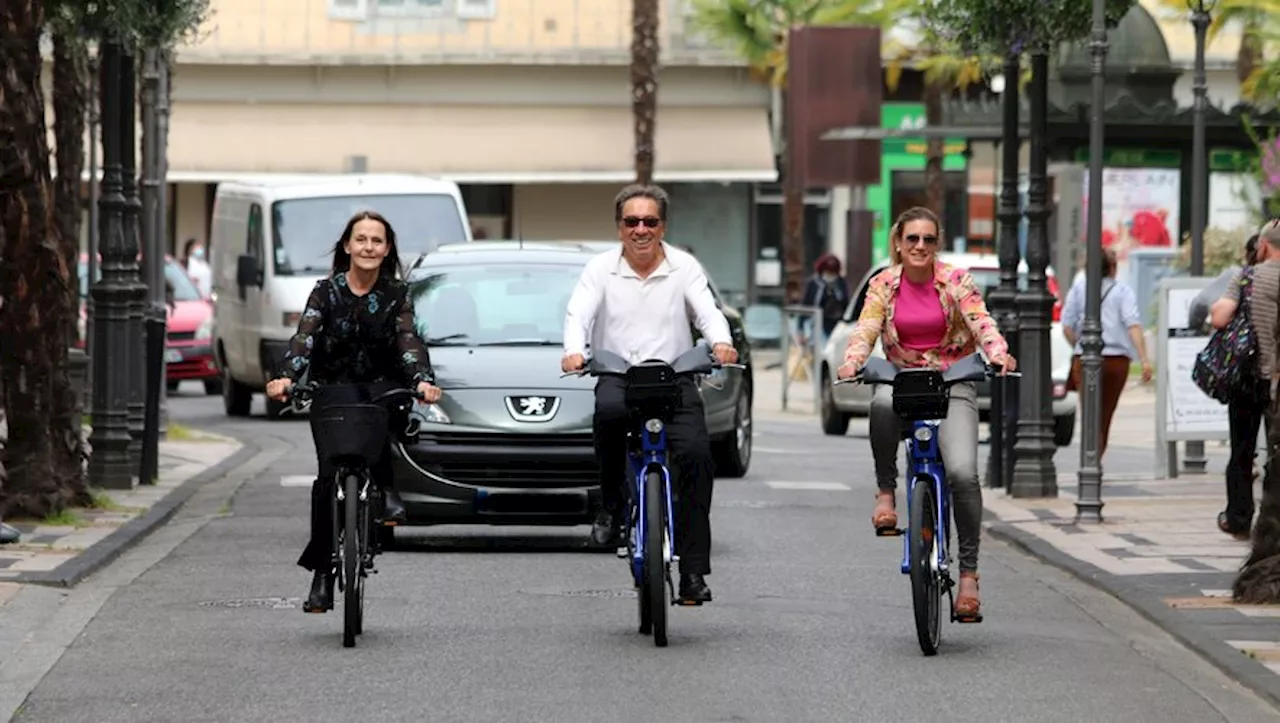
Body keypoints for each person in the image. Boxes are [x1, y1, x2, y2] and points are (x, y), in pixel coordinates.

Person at [836, 206, 1016, 621]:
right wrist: (853, 360)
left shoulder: (955, 281)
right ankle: (886, 492)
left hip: (953, 383)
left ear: (937, 244)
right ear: (898, 242)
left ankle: (968, 574)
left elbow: (981, 321)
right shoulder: (883, 284)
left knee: (962, 473)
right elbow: (865, 328)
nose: (920, 247)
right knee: (880, 403)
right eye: (912, 239)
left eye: (928, 240)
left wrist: (998, 353)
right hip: (902, 382)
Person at [561, 183, 738, 604]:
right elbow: (578, 313)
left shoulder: (684, 266)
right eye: (632, 222)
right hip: (619, 373)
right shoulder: (600, 269)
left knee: (696, 454)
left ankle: (693, 571)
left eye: (650, 221)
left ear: (663, 226)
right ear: (619, 227)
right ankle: (610, 507)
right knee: (607, 415)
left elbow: (708, 312)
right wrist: (573, 351)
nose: (641, 229)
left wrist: (720, 343)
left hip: (674, 377)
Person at [265, 210, 442, 614]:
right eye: (360, 239)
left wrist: (422, 381)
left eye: (376, 241)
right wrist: (286, 378)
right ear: (347, 246)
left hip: (383, 388)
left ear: (387, 249)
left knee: (394, 413)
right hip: (334, 391)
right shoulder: (325, 292)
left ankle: (384, 490)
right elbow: (304, 339)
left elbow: (408, 341)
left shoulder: (398, 294)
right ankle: (323, 575)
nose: (368, 247)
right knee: (328, 479)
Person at [1210, 221, 1280, 539]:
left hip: (1247, 378)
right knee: (1277, 452)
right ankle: (1273, 518)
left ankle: (1238, 518)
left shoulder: (1247, 276)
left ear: (1263, 245)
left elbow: (1220, 317)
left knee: (1242, 449)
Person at [1060, 247, 1152, 459]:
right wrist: (1144, 360)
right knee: (1106, 413)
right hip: (1116, 361)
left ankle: (1089, 457)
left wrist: (1078, 345)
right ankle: (1096, 459)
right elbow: (1133, 325)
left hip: (1083, 358)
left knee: (1089, 413)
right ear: (1112, 268)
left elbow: (1067, 326)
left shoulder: (1078, 289)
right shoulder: (1123, 292)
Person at [800, 253, 850, 341]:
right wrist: (801, 329)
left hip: (836, 323)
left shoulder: (840, 284)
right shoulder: (814, 283)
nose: (830, 276)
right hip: (818, 324)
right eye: (828, 272)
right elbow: (806, 305)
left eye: (833, 273)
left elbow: (845, 302)